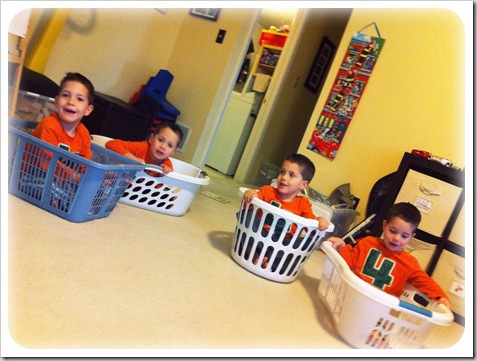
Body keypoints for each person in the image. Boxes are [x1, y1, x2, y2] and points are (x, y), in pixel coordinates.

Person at [327, 202, 451, 309]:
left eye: (404, 236)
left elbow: (425, 282)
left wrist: (441, 297)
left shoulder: (409, 262)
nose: (396, 238)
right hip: (354, 296)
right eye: (392, 231)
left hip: (382, 308)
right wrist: (342, 246)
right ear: (384, 225)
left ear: (411, 237)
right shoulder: (367, 242)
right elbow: (349, 263)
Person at [242, 153, 330, 267]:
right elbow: (249, 207)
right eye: (282, 172)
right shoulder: (267, 191)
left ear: (303, 184)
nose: (284, 177)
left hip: (282, 244)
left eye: (291, 175)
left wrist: (320, 220)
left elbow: (312, 228)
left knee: (307, 242)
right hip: (259, 235)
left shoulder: (303, 204)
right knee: (247, 215)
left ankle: (270, 262)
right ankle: (254, 254)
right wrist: (252, 195)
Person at [33, 72, 95, 160]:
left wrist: (92, 173)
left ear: (88, 110)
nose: (71, 102)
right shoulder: (49, 126)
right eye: (65, 95)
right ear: (56, 101)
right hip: (33, 172)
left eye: (79, 99)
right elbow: (46, 161)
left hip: (62, 173)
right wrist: (73, 174)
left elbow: (85, 164)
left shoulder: (84, 134)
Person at [105, 122, 183, 174]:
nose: (163, 146)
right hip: (122, 179)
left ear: (173, 152)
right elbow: (111, 144)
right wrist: (132, 158)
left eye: (170, 145)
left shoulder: (167, 165)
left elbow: (159, 188)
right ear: (151, 138)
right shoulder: (142, 147)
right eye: (160, 140)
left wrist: (163, 175)